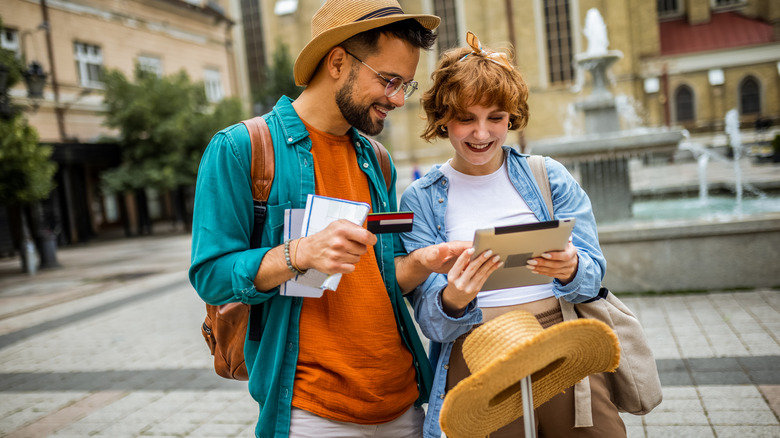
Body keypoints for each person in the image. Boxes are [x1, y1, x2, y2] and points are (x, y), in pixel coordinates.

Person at [189, 1, 468, 437]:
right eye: (389, 80)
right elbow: (210, 275)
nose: (397, 99)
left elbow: (381, 276)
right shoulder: (242, 147)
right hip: (311, 412)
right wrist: (299, 252)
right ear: (338, 61)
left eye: (405, 86)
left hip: (404, 400)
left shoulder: (377, 158)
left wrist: (426, 263)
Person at [399, 32, 627, 437]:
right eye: (466, 118)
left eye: (496, 118)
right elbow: (431, 322)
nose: (481, 134)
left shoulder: (547, 175)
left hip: (564, 344)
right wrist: (455, 297)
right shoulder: (421, 198)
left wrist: (572, 267)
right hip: (478, 352)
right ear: (442, 118)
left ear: (512, 117)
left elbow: (593, 277)